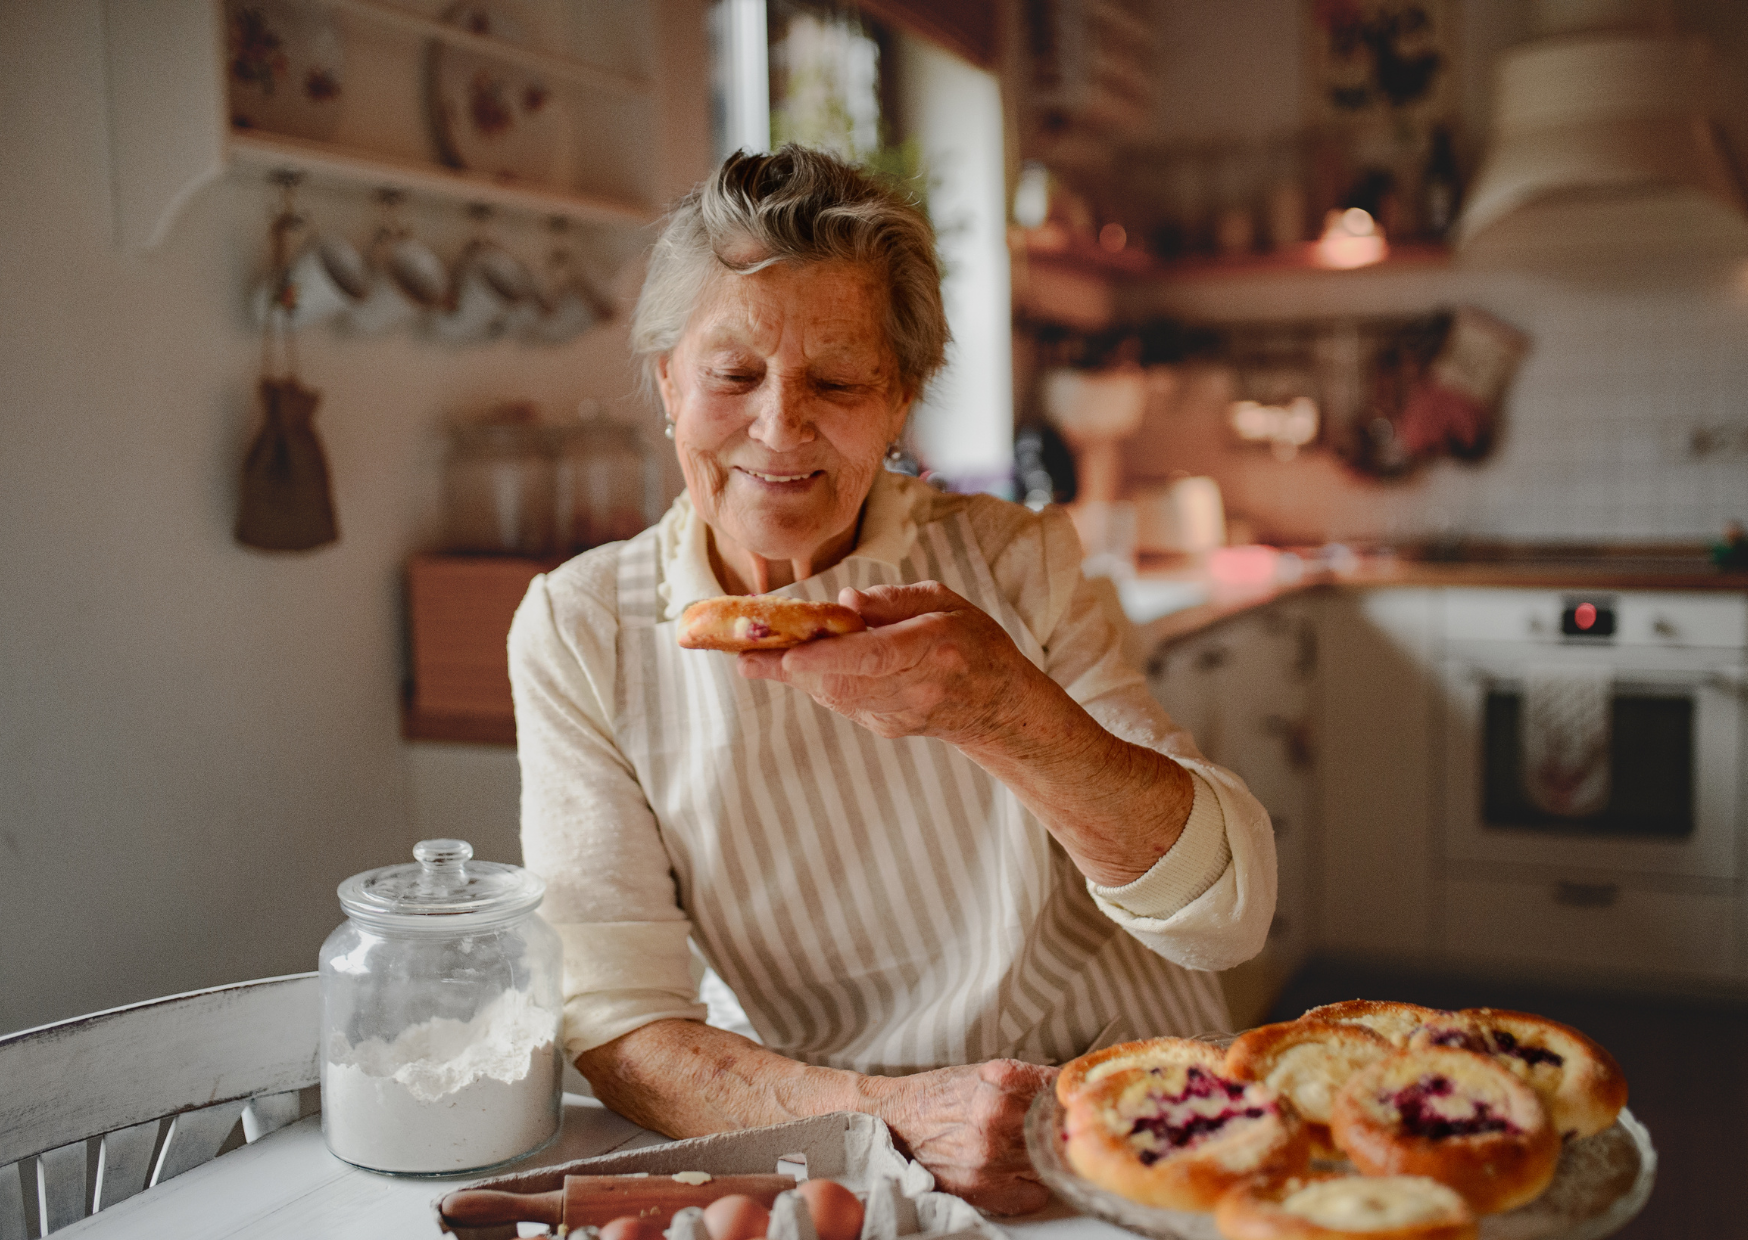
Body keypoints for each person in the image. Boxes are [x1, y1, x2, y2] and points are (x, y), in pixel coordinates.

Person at [509, 146, 1275, 1213]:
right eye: (732, 376)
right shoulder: (580, 627)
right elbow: (619, 1027)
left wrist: (1004, 711)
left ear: (901, 399)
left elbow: (1224, 914)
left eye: (836, 380)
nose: (778, 427)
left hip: (1127, 1123)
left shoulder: (1016, 561)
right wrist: (891, 1114)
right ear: (666, 383)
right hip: (849, 1158)